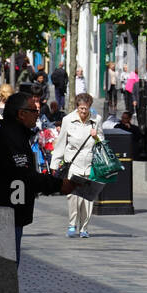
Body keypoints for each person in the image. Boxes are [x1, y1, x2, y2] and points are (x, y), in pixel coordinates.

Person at [0, 91, 72, 259]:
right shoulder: (10, 136)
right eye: (34, 111)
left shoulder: (7, 131)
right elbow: (25, 175)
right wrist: (58, 185)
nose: (38, 114)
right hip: (3, 213)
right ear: (21, 114)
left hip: (5, 211)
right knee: (4, 267)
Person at [52, 93, 101, 238]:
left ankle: (84, 228)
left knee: (87, 199)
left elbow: (102, 142)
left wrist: (96, 137)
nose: (84, 112)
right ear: (77, 107)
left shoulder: (96, 120)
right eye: (81, 109)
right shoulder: (68, 120)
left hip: (90, 164)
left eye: (86, 109)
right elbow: (61, 143)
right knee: (73, 196)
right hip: (73, 163)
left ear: (90, 107)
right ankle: (72, 223)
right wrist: (55, 163)